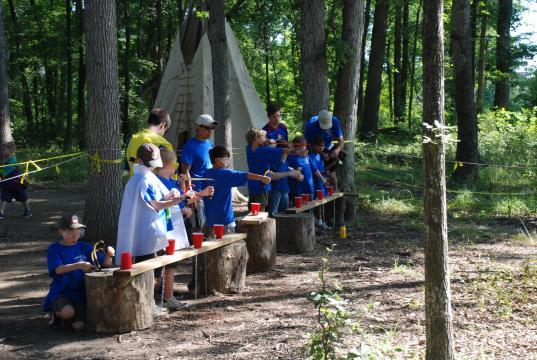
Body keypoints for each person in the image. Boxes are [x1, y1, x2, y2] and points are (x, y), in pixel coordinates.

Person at [116, 143, 190, 313]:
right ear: (141, 160)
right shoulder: (141, 179)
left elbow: (161, 195)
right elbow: (155, 204)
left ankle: (149, 303)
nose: (151, 166)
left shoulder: (149, 176)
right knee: (147, 272)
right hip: (145, 234)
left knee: (154, 272)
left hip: (153, 231)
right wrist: (178, 200)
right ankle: (147, 304)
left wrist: (173, 194)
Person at [44, 213, 115, 331]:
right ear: (61, 231)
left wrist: (109, 255)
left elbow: (105, 264)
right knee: (67, 312)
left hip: (82, 293)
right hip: (62, 292)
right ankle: (56, 314)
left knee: (80, 327)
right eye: (71, 232)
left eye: (78, 232)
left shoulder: (85, 247)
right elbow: (58, 269)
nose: (75, 236)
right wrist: (79, 265)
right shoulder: (54, 248)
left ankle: (68, 321)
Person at [202, 146, 270, 235]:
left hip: (210, 220)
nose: (228, 161)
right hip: (225, 221)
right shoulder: (226, 174)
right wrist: (261, 178)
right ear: (217, 160)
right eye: (226, 159)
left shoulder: (206, 173)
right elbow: (245, 175)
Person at [180, 114, 218, 230]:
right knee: (200, 225)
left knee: (212, 222)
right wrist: (190, 192)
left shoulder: (210, 144)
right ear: (198, 127)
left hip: (210, 189)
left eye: (212, 128)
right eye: (207, 128)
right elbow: (185, 171)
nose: (210, 131)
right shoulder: (190, 146)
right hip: (198, 192)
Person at [245, 128, 291, 211]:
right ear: (256, 138)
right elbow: (285, 150)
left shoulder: (248, 148)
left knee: (252, 210)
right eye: (264, 136)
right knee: (260, 211)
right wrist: (295, 151)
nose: (266, 138)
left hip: (252, 184)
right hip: (263, 185)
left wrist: (267, 141)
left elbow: (260, 145)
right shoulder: (264, 150)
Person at [125, 109, 173, 177]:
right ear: (163, 125)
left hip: (134, 183)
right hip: (153, 186)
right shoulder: (164, 144)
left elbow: (130, 159)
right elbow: (169, 173)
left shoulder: (133, 139)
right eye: (166, 130)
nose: (164, 133)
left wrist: (138, 161)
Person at [304, 110, 345, 187]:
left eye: (327, 127)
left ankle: (335, 195)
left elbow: (341, 140)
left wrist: (337, 150)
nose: (326, 129)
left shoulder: (335, 121)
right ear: (319, 121)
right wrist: (320, 153)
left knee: (332, 176)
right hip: (314, 151)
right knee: (317, 174)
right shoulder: (311, 125)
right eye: (323, 127)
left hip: (328, 147)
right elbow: (308, 144)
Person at [266, 140, 302, 217]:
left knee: (284, 213)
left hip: (285, 191)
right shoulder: (272, 160)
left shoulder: (286, 162)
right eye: (288, 149)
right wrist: (290, 173)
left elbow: (289, 172)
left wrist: (298, 174)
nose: (290, 152)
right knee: (273, 214)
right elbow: (272, 176)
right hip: (275, 191)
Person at [0, 142, 32, 219]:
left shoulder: (13, 160)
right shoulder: (3, 160)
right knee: (4, 197)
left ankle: (27, 210)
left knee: (22, 197)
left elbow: (6, 171)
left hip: (16, 183)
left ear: (10, 151)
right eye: (2, 149)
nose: (2, 151)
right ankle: (1, 212)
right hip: (7, 183)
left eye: (4, 149)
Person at [288, 136, 315, 205]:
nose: (305, 148)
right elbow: (286, 169)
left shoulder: (306, 156)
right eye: (304, 146)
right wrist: (296, 172)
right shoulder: (290, 157)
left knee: (310, 209)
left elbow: (314, 169)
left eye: (305, 145)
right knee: (298, 211)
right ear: (297, 146)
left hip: (309, 188)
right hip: (298, 190)